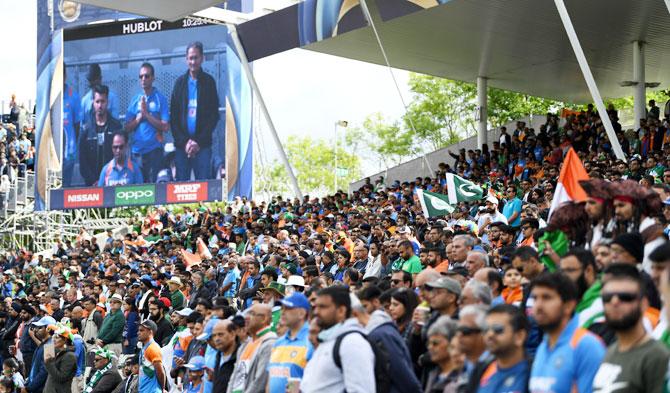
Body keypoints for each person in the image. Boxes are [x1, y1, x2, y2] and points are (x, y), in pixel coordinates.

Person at [592, 263, 670, 393]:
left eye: (625, 297)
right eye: (607, 298)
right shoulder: (610, 352)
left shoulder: (656, 356)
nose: (615, 302)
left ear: (644, 304)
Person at [529, 272, 606, 393]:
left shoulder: (587, 346)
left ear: (568, 306)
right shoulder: (544, 345)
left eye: (546, 298)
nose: (538, 306)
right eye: (535, 298)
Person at [301, 286, 375, 393]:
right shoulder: (329, 339)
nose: (316, 311)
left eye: (322, 307)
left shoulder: (352, 343)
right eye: (316, 306)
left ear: (341, 311)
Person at [354, 286, 422, 393]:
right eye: (390, 304)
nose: (391, 308)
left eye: (395, 304)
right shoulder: (392, 326)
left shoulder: (385, 333)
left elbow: (401, 371)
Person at [170, 41, 220, 181]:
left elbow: (213, 116)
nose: (193, 61)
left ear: (202, 58)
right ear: (186, 60)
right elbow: (174, 118)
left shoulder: (209, 82)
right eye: (190, 58)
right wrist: (186, 143)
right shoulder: (179, 84)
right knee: (181, 190)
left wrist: (197, 142)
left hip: (202, 146)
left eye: (196, 57)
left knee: (203, 188)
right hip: (182, 148)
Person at [467, 304, 530, 393]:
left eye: (498, 329)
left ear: (519, 336)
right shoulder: (480, 370)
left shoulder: (533, 373)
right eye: (486, 330)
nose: (490, 335)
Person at [124, 62, 169, 183]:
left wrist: (147, 115)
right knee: (138, 190)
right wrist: (139, 118)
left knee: (154, 191)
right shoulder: (135, 100)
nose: (143, 79)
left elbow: (165, 127)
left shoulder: (160, 99)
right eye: (141, 76)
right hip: (137, 153)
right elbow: (127, 127)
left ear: (153, 78)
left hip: (154, 152)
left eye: (147, 76)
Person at [267, 293, 313, 393]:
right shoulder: (278, 342)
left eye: (288, 308)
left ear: (302, 313)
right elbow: (270, 380)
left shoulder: (311, 341)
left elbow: (305, 379)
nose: (282, 312)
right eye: (282, 308)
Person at [78, 84, 123, 186]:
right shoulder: (86, 130)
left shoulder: (116, 127)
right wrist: (94, 181)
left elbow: (121, 155)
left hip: (112, 182)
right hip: (91, 184)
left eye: (103, 101)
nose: (100, 105)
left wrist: (109, 178)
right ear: (93, 103)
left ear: (108, 102)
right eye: (97, 101)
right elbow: (82, 160)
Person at [226, 303, 277, 393]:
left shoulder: (270, 343)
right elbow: (234, 377)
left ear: (264, 319)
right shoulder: (245, 345)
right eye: (247, 313)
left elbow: (260, 381)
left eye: (252, 314)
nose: (246, 317)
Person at [423, 316, 466, 393]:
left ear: (452, 343)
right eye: (428, 343)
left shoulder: (462, 376)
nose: (430, 347)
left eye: (435, 343)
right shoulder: (433, 374)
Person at [43, 324, 78, 393]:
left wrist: (48, 362)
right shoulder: (56, 352)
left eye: (57, 337)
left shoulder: (70, 356)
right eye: (53, 337)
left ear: (65, 339)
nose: (53, 340)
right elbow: (50, 373)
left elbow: (61, 377)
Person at [62, 66, 80, 187]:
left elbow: (77, 125)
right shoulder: (49, 97)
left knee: (65, 187)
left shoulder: (74, 96)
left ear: (65, 76)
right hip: (52, 155)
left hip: (69, 154)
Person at [137, 320, 167, 393]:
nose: (138, 333)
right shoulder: (145, 348)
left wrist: (162, 388)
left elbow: (160, 372)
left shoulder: (153, 348)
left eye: (141, 330)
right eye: (138, 330)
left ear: (150, 332)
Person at [96, 293, 125, 360]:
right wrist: (98, 339)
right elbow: (101, 329)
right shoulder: (108, 315)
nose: (112, 303)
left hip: (113, 345)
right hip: (104, 344)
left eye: (115, 302)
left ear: (120, 304)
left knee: (111, 368)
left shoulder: (120, 316)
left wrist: (102, 342)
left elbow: (114, 332)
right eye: (111, 302)